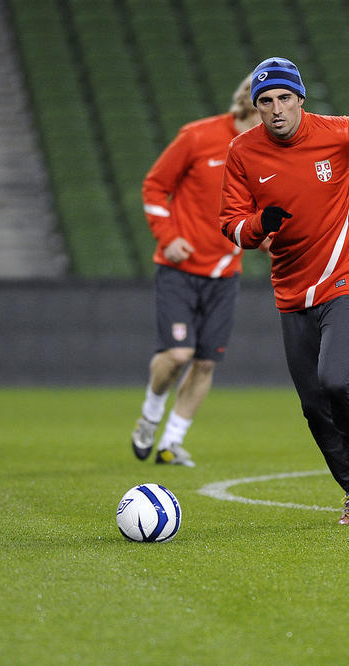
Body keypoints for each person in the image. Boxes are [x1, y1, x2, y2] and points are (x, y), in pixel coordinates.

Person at [219, 57, 349, 524]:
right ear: (256, 107)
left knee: (337, 380)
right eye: (265, 101)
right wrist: (259, 225)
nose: (276, 109)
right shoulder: (242, 153)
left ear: (300, 98)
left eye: (283, 98)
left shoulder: (341, 132)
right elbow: (232, 226)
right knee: (313, 404)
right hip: (292, 289)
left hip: (345, 276)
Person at [130, 74, 263, 466]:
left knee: (205, 361)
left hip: (225, 274)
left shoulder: (269, 152)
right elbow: (154, 187)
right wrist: (167, 236)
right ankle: (149, 418)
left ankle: (171, 443)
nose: (276, 113)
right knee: (177, 354)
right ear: (248, 102)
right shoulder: (198, 136)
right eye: (267, 103)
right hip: (181, 268)